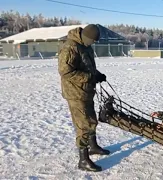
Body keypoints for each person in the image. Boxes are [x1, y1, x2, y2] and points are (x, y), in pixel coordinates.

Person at [58, 24, 110, 172]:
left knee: (92, 119)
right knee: (83, 125)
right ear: (85, 37)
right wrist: (88, 77)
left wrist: (96, 74)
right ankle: (83, 160)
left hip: (86, 91)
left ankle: (93, 146)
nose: (92, 43)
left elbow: (87, 66)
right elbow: (65, 72)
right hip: (75, 93)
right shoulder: (70, 47)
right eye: (92, 41)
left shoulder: (85, 46)